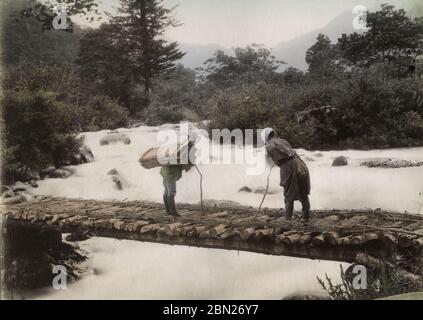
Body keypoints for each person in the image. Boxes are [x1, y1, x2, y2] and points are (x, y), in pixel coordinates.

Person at [261, 128, 311, 222]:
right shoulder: (284, 141)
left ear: (265, 137)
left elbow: (270, 160)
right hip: (300, 164)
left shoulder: (269, 146)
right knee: (303, 192)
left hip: (288, 168)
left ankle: (288, 220)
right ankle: (306, 217)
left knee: (288, 194)